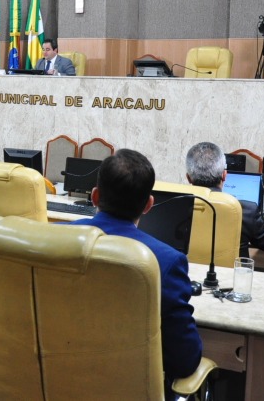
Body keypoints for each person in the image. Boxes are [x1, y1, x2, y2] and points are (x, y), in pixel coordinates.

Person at [64, 148, 202, 382]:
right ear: (149, 204)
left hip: (60, 382)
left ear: (94, 196)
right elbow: (184, 361)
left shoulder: (54, 238)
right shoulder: (167, 261)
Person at [185, 142, 264, 258]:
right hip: (231, 275)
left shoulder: (174, 207)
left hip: (187, 274)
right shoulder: (245, 211)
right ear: (225, 175)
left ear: (188, 178)